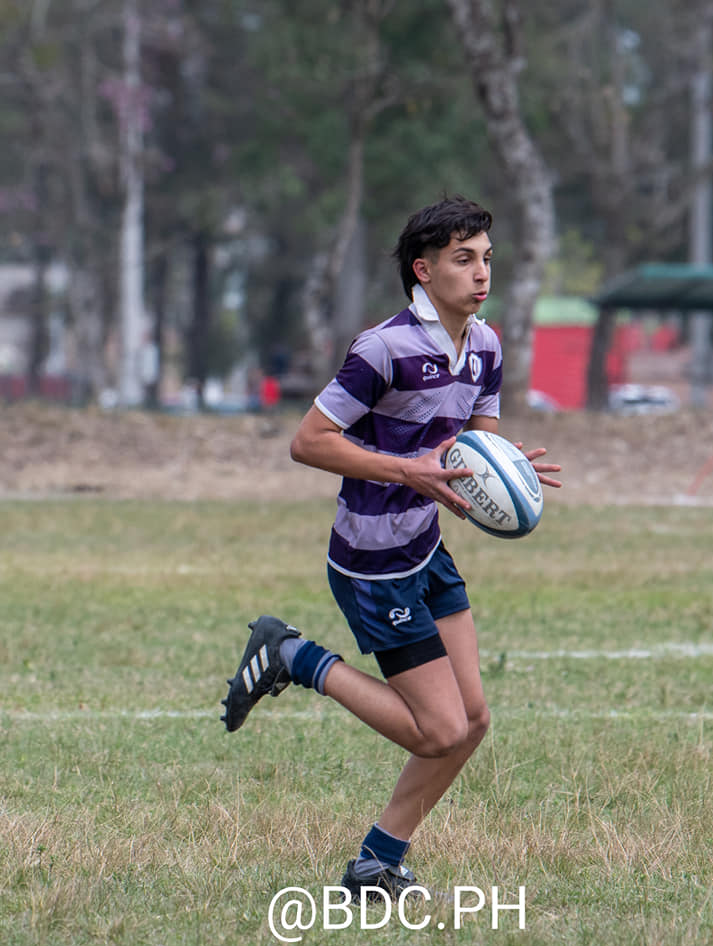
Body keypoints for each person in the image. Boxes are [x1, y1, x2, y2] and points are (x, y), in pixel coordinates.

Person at [221, 195, 561, 900]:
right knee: (437, 730)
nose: (479, 273)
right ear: (423, 268)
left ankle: (376, 864)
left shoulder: (486, 345)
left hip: (425, 546)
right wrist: (408, 469)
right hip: (372, 561)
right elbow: (308, 442)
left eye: (486, 258)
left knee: (471, 723)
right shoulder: (384, 349)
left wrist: (504, 473)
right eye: (463, 259)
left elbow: (474, 438)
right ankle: (294, 656)